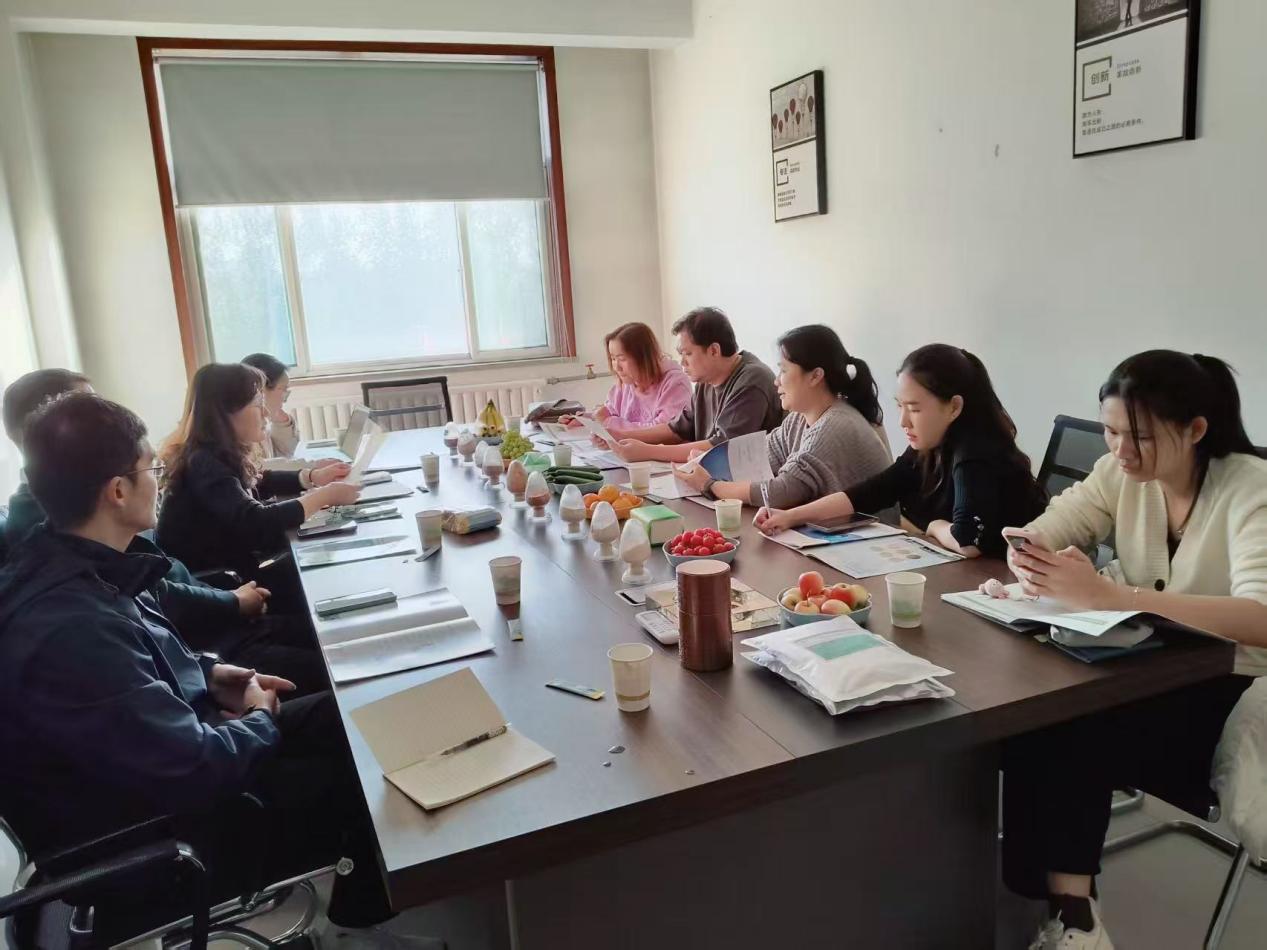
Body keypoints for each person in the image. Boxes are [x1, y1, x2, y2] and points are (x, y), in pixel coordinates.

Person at [0, 392, 393, 942]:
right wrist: (259, 717)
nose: (160, 482)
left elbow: (145, 665)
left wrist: (211, 673)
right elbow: (198, 768)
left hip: (170, 766)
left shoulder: (82, 564)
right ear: (117, 490)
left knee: (358, 712)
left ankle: (364, 901)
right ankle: (372, 902)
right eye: (151, 470)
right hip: (172, 837)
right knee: (365, 760)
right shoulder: (72, 625)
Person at [1001, 351, 1267, 950]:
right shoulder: (1121, 473)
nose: (1121, 450)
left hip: (1235, 684)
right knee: (1034, 712)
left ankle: (1074, 920)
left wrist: (1112, 595)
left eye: (1139, 437)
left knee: (1070, 724)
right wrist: (1029, 552)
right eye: (1111, 431)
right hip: (1149, 664)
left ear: (1195, 430)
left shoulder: (1252, 489)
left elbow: (1261, 616)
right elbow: (1056, 521)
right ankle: (1059, 905)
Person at [2, 368, 328, 693]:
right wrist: (230, 609)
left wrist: (208, 670)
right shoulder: (71, 522)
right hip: (203, 640)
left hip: (200, 640)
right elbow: (153, 616)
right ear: (54, 422)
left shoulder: (75, 511)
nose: (106, 413)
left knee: (323, 630)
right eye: (89, 405)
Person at [756, 344, 1047, 558]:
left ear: (954, 407)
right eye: (900, 406)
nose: (903, 422)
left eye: (915, 409)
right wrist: (790, 517)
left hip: (1007, 582)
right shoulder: (929, 446)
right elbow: (867, 493)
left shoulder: (976, 453)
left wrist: (934, 526)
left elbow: (967, 543)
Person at [157, 363, 358, 578]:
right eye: (258, 404)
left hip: (232, 566)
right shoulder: (203, 462)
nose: (266, 412)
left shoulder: (212, 453)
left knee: (322, 551)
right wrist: (321, 497)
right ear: (225, 413)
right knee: (324, 562)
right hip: (220, 583)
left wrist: (311, 477)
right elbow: (255, 523)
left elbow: (257, 481)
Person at [674, 325, 891, 506]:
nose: (776, 380)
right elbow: (755, 461)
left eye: (784, 371)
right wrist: (707, 462)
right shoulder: (798, 419)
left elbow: (780, 492)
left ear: (815, 376)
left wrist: (710, 485)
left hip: (872, 540)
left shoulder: (834, 425)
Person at [608, 307, 782, 464]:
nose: (682, 362)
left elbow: (722, 448)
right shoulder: (706, 380)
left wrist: (648, 451)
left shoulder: (752, 380)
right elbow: (678, 429)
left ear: (714, 350)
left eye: (688, 354)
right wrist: (621, 436)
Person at [581, 322, 692, 438]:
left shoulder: (675, 383)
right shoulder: (627, 382)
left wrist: (610, 424)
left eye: (622, 359)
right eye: (613, 359)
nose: (617, 367)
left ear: (643, 357)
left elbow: (666, 431)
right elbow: (608, 411)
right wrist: (585, 419)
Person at [242, 352, 300, 458]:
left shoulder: (262, 424)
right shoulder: (242, 434)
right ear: (260, 389)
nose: (285, 399)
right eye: (283, 389)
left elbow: (284, 456)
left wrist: (283, 424)